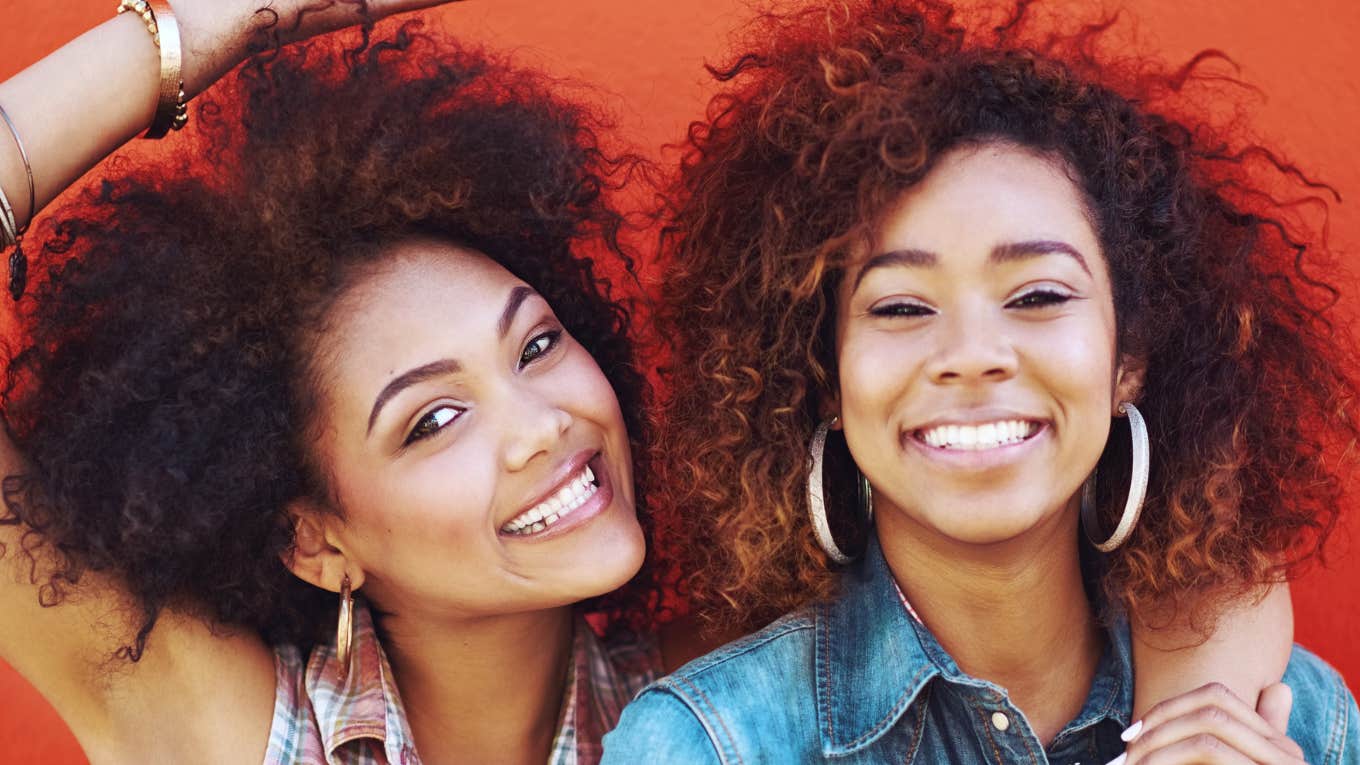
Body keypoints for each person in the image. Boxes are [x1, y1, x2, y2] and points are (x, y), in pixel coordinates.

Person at [604, 1, 1360, 763]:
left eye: (1037, 296)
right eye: (901, 306)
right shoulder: (708, 744)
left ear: (1128, 356)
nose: (971, 354)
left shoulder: (1292, 721)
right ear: (826, 379)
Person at [0, 3, 664, 763]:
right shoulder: (227, 731)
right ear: (313, 540)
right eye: (435, 419)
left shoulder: (740, 710)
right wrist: (217, 23)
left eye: (537, 344)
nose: (543, 424)